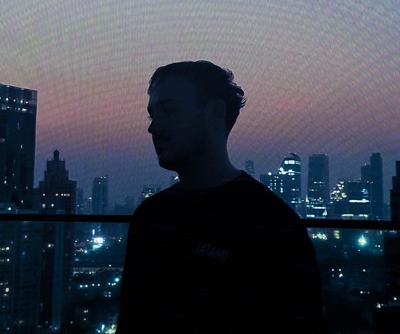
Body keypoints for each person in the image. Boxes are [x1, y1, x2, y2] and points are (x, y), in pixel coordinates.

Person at [116, 60, 330, 333]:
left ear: (214, 114)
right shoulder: (149, 217)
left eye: (168, 111)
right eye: (152, 115)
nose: (153, 127)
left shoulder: (273, 227)